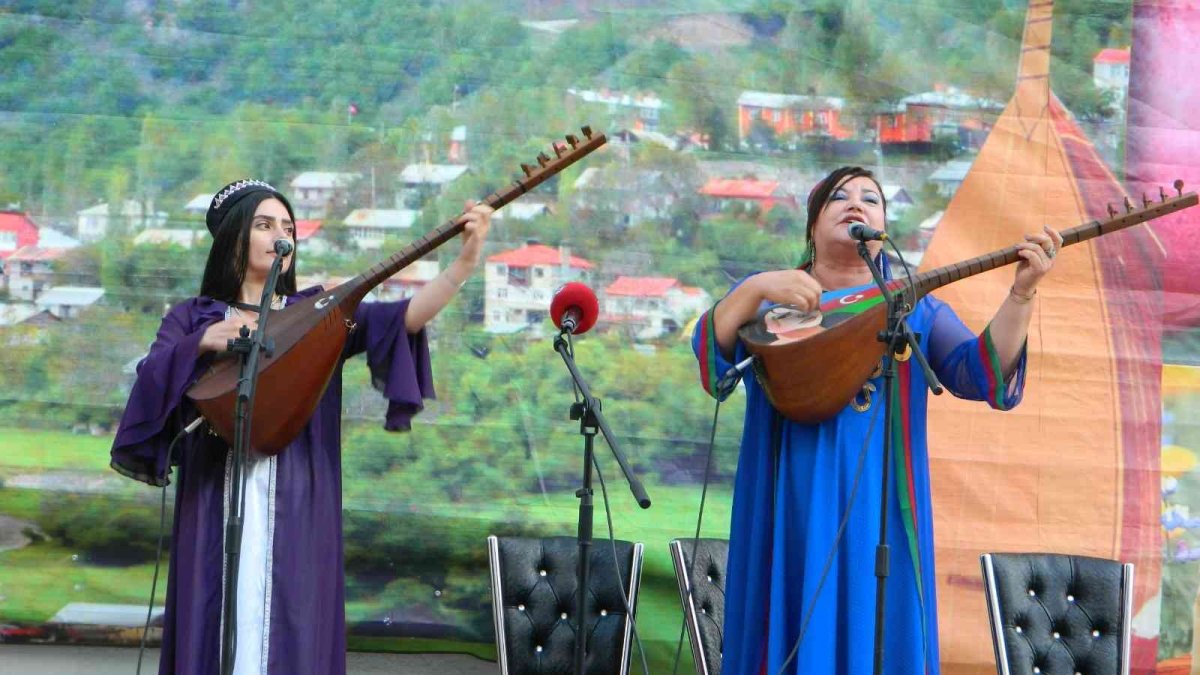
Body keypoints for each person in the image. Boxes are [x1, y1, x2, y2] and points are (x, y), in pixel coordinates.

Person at [109, 178, 492, 675]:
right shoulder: (193, 317)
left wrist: (465, 261)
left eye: (288, 227)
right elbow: (151, 384)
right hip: (211, 500)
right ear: (233, 238)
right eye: (264, 225)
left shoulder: (316, 316)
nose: (280, 236)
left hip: (300, 497)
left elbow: (405, 319)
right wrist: (202, 342)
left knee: (295, 622)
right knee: (213, 615)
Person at [692, 166, 1060, 674]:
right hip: (790, 504)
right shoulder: (773, 305)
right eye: (839, 197)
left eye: (871, 198)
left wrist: (1021, 294)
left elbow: (982, 375)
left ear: (883, 226)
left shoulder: (914, 310)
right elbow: (715, 362)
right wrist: (753, 288)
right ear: (813, 224)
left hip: (881, 506)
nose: (856, 204)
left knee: (878, 619)